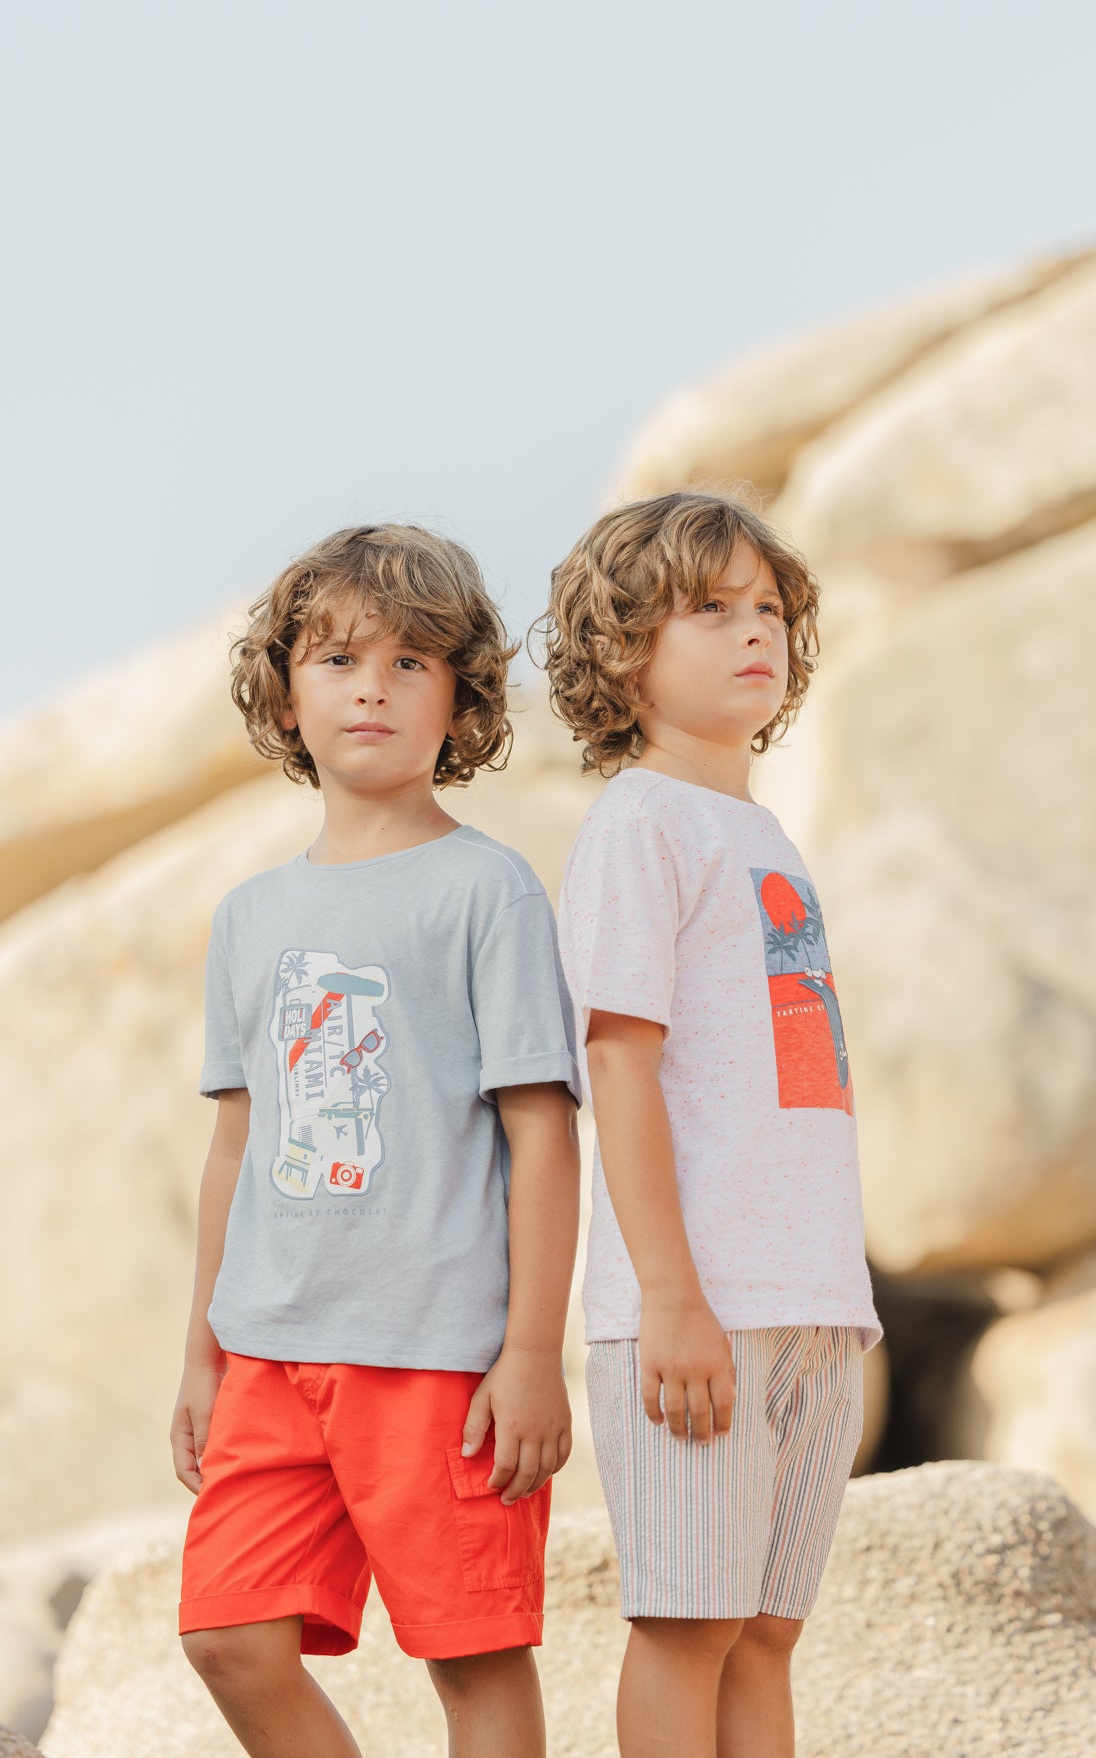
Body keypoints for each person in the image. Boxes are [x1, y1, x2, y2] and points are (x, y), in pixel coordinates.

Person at [171, 523, 581, 1758]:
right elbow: (237, 1149)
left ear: (461, 702)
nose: (373, 689)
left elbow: (543, 1133)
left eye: (412, 663)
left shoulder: (487, 890)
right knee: (229, 1638)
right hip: (271, 1350)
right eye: (340, 660)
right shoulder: (250, 916)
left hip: (437, 1357)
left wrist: (532, 1353)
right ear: (286, 695)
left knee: (473, 1653)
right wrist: (202, 1353)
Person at [540, 491, 881, 1758]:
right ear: (624, 650)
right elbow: (617, 1065)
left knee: (766, 1633)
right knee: (690, 1624)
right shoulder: (640, 824)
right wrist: (671, 1296)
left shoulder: (764, 834)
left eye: (769, 609)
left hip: (810, 1299)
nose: (755, 632)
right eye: (711, 609)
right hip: (697, 1308)